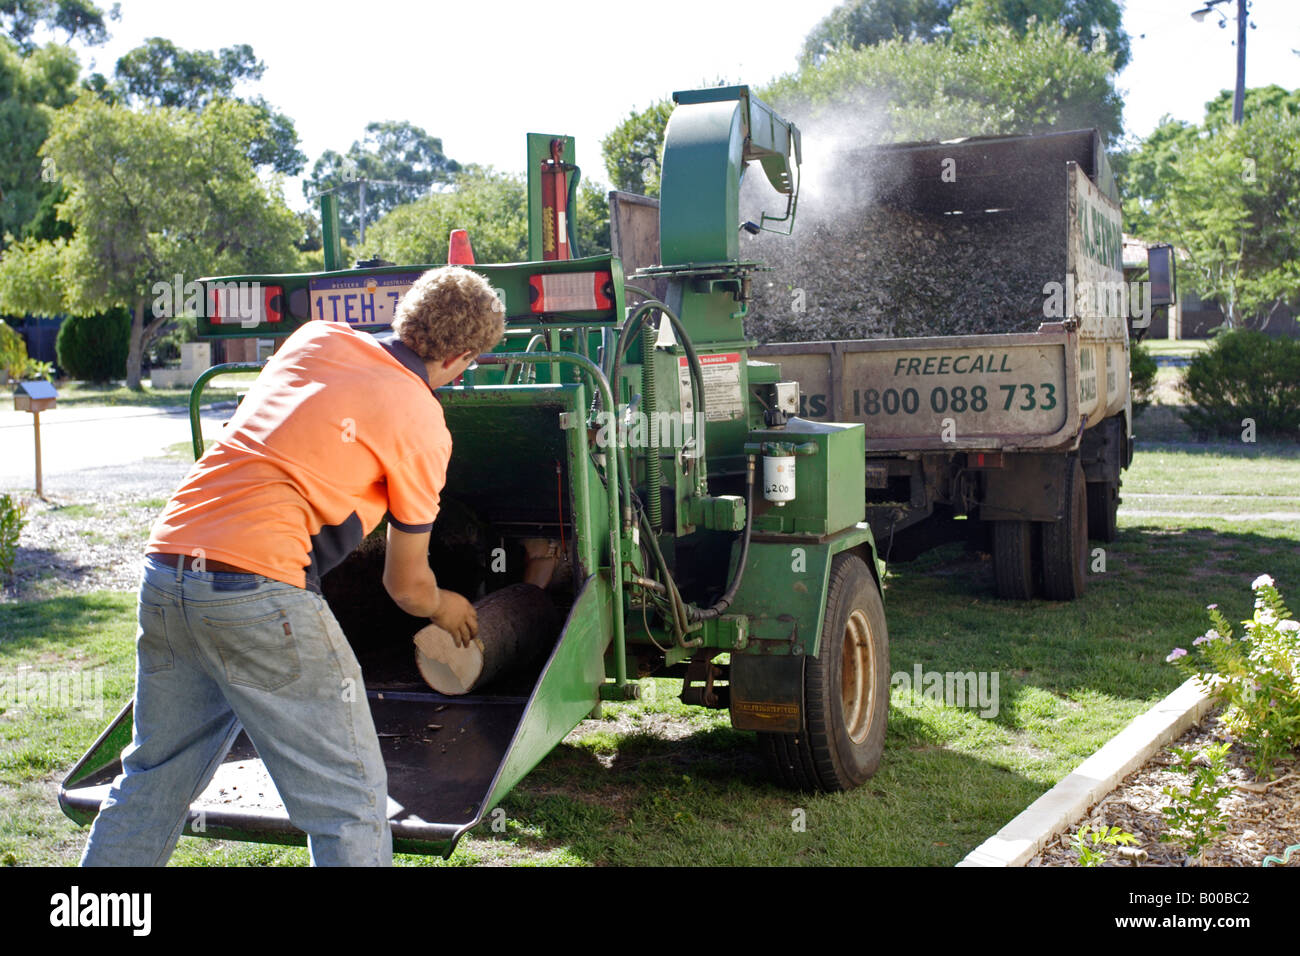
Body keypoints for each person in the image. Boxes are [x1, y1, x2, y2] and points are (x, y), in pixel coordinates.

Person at [80, 265, 505, 867]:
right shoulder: (424, 423)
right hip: (259, 588)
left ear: (403, 317)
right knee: (349, 801)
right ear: (463, 357)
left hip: (169, 564)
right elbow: (405, 584)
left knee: (153, 776)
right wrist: (447, 605)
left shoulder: (316, 338)